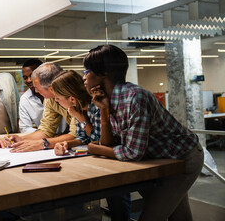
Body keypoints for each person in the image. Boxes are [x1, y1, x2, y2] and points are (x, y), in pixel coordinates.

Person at [83, 44, 204, 221]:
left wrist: (96, 149)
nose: (84, 77)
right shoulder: (104, 99)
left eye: (87, 71)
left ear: (104, 73)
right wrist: (104, 111)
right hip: (157, 161)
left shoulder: (135, 97)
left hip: (183, 158)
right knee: (179, 217)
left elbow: (132, 153)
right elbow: (110, 145)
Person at [52, 70, 131, 221]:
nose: (56, 101)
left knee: (117, 201)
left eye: (58, 98)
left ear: (72, 99)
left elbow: (98, 140)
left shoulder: (95, 106)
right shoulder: (76, 109)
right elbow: (83, 138)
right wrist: (66, 144)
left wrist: (81, 118)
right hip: (107, 159)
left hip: (120, 159)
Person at [6, 62, 76, 152]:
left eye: (38, 88)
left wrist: (43, 143)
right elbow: (46, 129)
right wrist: (22, 139)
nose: (36, 91)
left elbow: (76, 135)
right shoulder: (49, 99)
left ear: (51, 88)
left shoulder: (73, 97)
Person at [19, 59, 67, 134]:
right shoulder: (26, 99)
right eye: (25, 78)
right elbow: (47, 128)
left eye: (32, 76)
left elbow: (76, 133)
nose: (29, 80)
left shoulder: (69, 97)